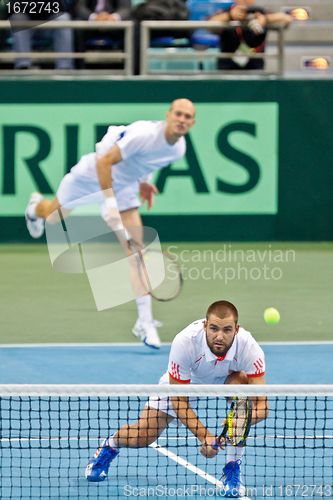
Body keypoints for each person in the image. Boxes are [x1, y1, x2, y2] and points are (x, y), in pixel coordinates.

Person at [25, 98, 196, 349]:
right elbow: (104, 161)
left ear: (192, 122)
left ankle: (145, 322)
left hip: (124, 186)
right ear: (168, 115)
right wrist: (110, 204)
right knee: (54, 215)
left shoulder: (177, 149)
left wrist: (144, 183)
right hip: (92, 175)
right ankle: (34, 208)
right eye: (178, 114)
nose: (182, 120)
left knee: (136, 251)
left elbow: (143, 163)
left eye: (187, 117)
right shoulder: (144, 134)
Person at [85, 300, 268, 496]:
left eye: (227, 330)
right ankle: (109, 446)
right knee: (143, 435)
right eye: (213, 328)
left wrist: (241, 420)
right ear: (205, 325)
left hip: (228, 379)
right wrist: (204, 436)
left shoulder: (249, 348)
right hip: (187, 380)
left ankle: (232, 469)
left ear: (236, 329)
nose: (219, 336)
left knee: (242, 396)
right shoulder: (185, 341)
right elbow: (178, 400)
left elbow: (262, 406)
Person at [209, 0, 293, 71]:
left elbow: (287, 19)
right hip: (227, 67)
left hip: (256, 67)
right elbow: (210, 24)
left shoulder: (260, 12)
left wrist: (265, 19)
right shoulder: (226, 11)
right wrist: (229, 15)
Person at [9, 1, 75, 70]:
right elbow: (14, 6)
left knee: (63, 18)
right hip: (26, 23)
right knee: (17, 18)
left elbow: (62, 6)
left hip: (49, 22)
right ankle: (23, 66)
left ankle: (64, 67)